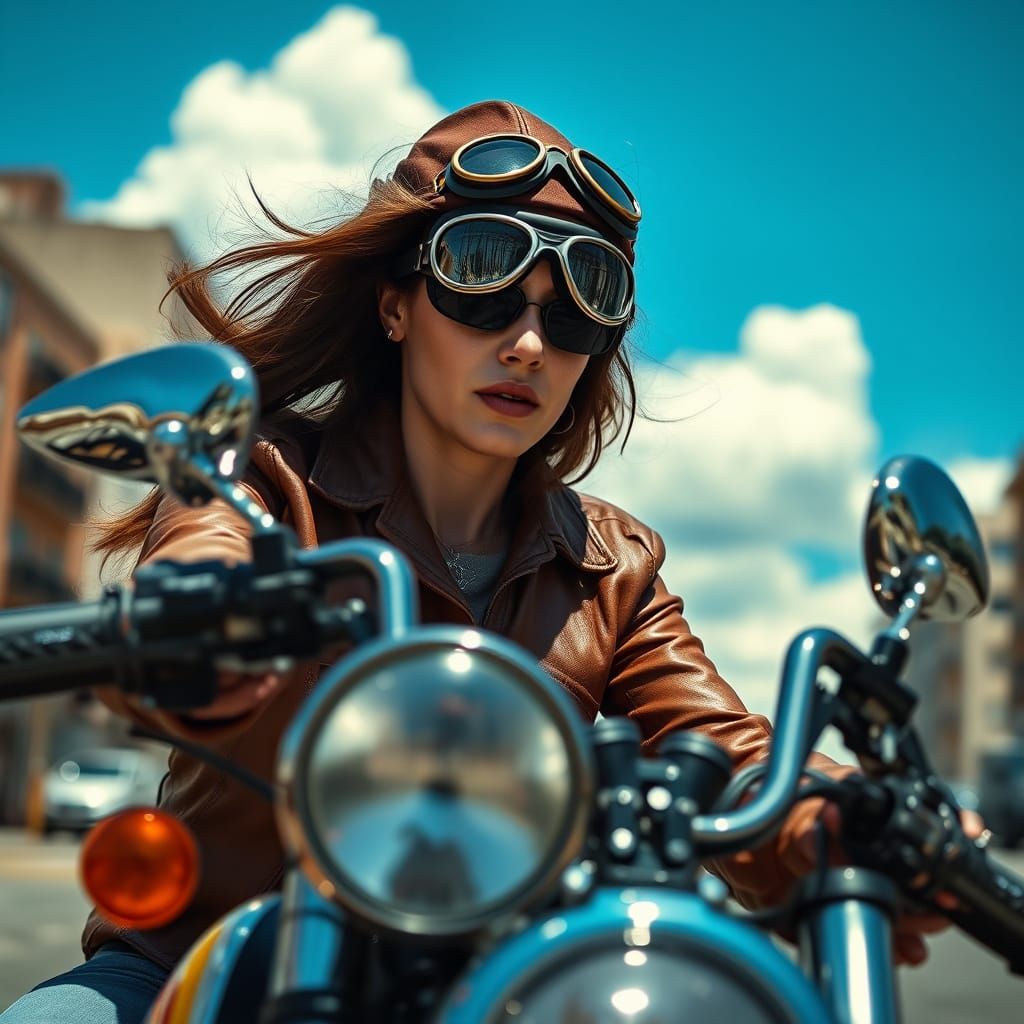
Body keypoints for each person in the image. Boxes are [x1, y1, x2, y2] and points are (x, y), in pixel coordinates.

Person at [0, 99, 970, 1024]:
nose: (529, 341)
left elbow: (730, 747)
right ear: (395, 306)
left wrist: (825, 816)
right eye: (482, 275)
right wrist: (199, 610)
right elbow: (203, 548)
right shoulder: (261, 479)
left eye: (580, 305)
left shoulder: (613, 564)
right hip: (216, 966)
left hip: (492, 985)